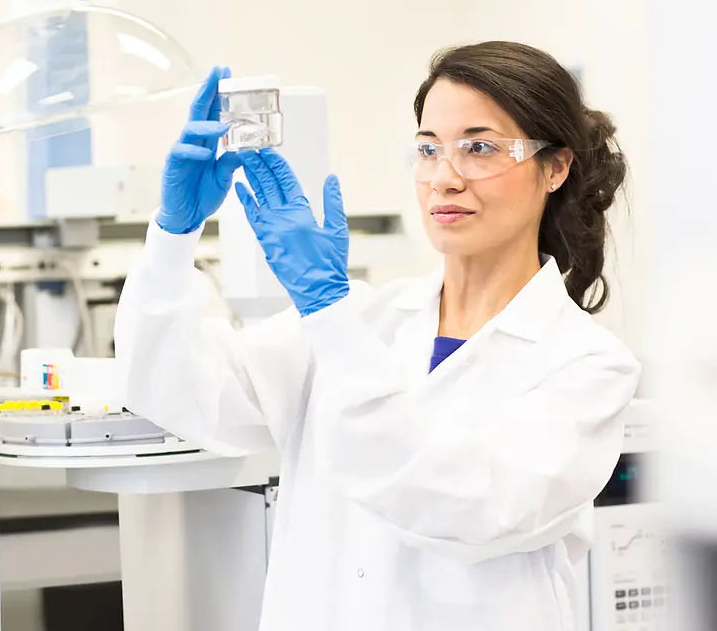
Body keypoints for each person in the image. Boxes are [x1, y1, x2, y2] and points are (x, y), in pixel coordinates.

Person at [113, 43, 641, 631]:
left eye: (479, 148)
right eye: (428, 149)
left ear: (556, 167)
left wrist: (328, 311)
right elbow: (171, 388)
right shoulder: (367, 319)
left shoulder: (586, 366)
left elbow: (460, 507)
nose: (445, 179)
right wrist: (172, 235)